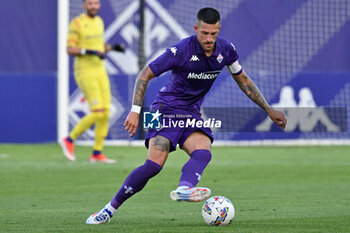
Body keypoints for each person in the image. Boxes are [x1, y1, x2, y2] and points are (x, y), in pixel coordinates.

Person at [85, 7, 287, 224]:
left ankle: (184, 189)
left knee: (203, 151)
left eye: (213, 33)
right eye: (204, 33)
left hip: (190, 112)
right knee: (153, 165)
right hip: (163, 109)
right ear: (196, 29)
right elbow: (145, 74)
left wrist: (268, 108)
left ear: (219, 29)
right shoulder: (181, 50)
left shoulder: (227, 50)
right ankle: (108, 210)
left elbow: (244, 80)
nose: (209, 38)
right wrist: (135, 111)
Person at [60, 0, 125, 163]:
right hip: (85, 71)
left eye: (96, 3)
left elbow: (98, 46)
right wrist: (90, 51)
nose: (93, 6)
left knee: (105, 113)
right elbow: (70, 49)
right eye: (90, 3)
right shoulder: (77, 24)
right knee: (97, 111)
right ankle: (69, 139)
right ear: (84, 5)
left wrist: (112, 48)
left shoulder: (99, 21)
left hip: (100, 71)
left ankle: (97, 152)